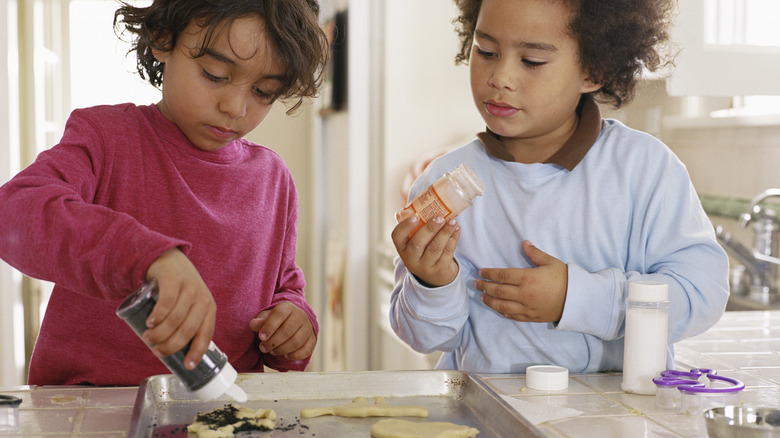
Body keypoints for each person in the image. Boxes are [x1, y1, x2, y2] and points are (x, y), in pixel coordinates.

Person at [0, 0, 329, 385]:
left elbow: (284, 284)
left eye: (263, 91)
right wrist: (146, 258)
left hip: (222, 415)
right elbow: (14, 213)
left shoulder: (274, 178)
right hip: (87, 410)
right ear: (162, 38)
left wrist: (294, 321)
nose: (236, 107)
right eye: (215, 74)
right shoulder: (106, 138)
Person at [390, 0, 729, 373]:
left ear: (594, 69)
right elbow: (423, 338)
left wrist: (578, 297)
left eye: (532, 61)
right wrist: (431, 283)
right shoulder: (445, 183)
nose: (500, 77)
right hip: (487, 421)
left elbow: (701, 293)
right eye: (486, 51)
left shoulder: (644, 169)